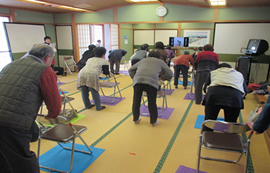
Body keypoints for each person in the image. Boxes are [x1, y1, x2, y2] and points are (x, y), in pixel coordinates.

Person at [0, 44, 62, 173]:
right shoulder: (45, 70)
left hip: (8, 115)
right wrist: (52, 115)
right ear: (47, 57)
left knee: (4, 156)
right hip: (13, 121)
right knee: (23, 159)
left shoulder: (11, 64)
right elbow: (54, 102)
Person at [128, 49, 173, 127]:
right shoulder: (161, 62)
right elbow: (170, 73)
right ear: (159, 57)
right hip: (151, 82)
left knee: (136, 100)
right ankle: (153, 121)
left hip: (138, 81)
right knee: (152, 101)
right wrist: (162, 78)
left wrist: (134, 77)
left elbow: (131, 69)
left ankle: (135, 119)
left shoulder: (143, 60)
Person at [202, 63, 247, 131]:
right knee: (231, 123)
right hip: (234, 97)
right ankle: (229, 138)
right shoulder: (239, 74)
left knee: (209, 121)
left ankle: (206, 136)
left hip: (214, 95)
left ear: (218, 68)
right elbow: (245, 91)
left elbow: (205, 89)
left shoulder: (213, 72)